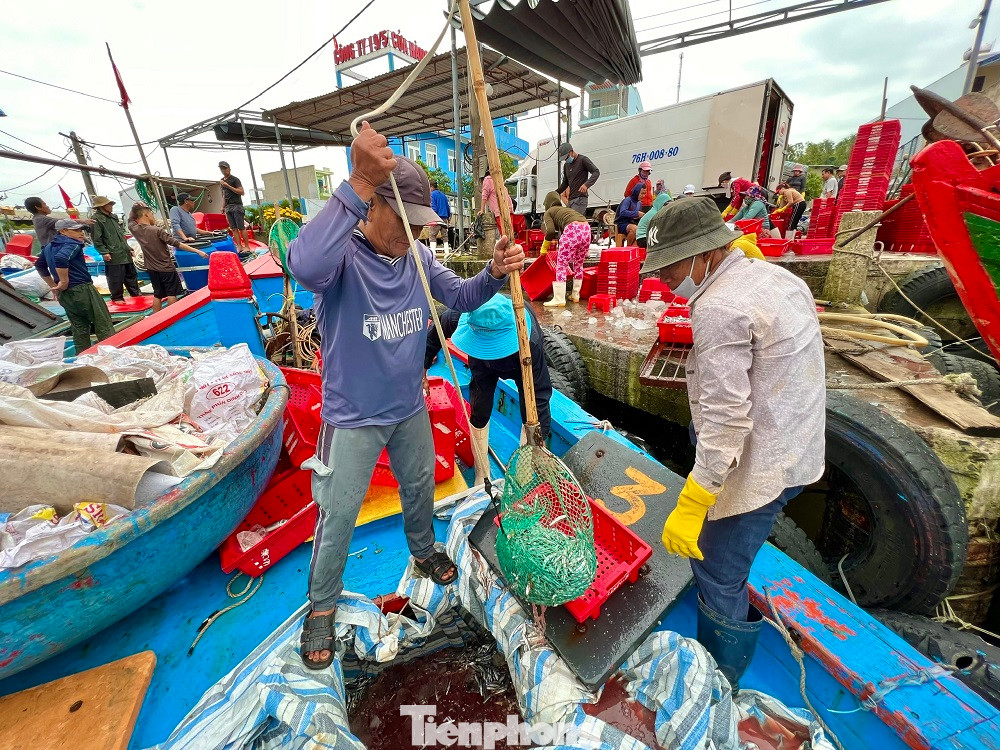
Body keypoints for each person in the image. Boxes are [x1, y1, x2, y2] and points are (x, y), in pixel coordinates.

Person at [285, 122, 525, 670]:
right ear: (371, 208)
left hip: (408, 407)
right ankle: (321, 605)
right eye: (404, 221)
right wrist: (358, 181)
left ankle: (422, 551)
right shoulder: (341, 259)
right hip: (352, 417)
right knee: (338, 513)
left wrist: (492, 273)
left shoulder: (417, 257)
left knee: (420, 488)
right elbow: (303, 264)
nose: (414, 235)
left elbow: (460, 294)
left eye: (421, 225)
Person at [639, 197, 825, 690]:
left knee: (717, 568)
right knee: (727, 551)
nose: (663, 281)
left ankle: (717, 681)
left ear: (705, 254)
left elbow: (725, 419)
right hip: (800, 445)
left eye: (671, 267)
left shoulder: (719, 306)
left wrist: (696, 498)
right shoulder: (779, 278)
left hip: (762, 459)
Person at [424, 296, 551, 483]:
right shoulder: (461, 316)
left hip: (520, 361)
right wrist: (423, 368)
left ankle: (523, 478)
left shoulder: (530, 342)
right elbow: (434, 336)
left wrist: (536, 443)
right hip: (481, 360)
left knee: (531, 413)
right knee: (480, 408)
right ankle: (482, 473)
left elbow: (539, 396)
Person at [34, 219, 115, 353]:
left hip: (65, 294)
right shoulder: (72, 243)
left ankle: (82, 356)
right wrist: (63, 281)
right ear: (63, 231)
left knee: (79, 328)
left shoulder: (49, 247)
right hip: (82, 289)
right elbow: (62, 258)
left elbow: (39, 265)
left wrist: (55, 286)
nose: (81, 234)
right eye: (76, 230)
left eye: (81, 230)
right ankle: (112, 354)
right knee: (103, 323)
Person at [128, 204, 208, 312]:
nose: (153, 216)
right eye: (152, 214)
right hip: (166, 268)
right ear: (146, 215)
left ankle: (156, 319)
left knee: (158, 295)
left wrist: (134, 207)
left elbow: (130, 219)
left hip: (151, 269)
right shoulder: (157, 230)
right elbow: (177, 244)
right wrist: (197, 251)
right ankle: (172, 317)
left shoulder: (135, 229)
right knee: (171, 294)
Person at [538, 191, 589, 307]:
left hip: (573, 230)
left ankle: (559, 298)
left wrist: (544, 248)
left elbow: (550, 231)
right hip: (586, 229)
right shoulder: (567, 210)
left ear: (548, 203)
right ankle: (575, 295)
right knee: (578, 264)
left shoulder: (549, 212)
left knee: (561, 264)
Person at [91, 196, 139, 304]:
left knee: (131, 275)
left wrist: (129, 248)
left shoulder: (114, 217)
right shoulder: (97, 219)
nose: (111, 207)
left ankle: (136, 294)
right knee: (115, 277)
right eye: (109, 205)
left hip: (124, 252)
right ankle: (117, 297)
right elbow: (97, 239)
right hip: (113, 254)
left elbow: (121, 236)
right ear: (102, 206)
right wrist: (104, 252)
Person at [25, 197, 93, 250]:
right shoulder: (41, 219)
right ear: (38, 207)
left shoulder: (38, 219)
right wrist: (82, 221)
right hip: (54, 249)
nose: (47, 206)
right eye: (44, 204)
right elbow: (63, 222)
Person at [556, 141, 600, 216]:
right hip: (571, 199)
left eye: (566, 157)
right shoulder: (566, 165)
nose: (566, 160)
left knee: (574, 220)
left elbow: (596, 172)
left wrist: (586, 185)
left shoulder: (583, 160)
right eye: (564, 159)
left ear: (571, 151)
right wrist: (556, 192)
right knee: (568, 221)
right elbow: (565, 182)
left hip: (580, 199)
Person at [218, 161, 249, 250]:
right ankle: (239, 246)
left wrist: (228, 186)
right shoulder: (222, 181)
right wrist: (222, 207)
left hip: (237, 205)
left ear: (229, 169)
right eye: (222, 168)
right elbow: (224, 194)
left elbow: (241, 192)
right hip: (228, 207)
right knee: (233, 228)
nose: (224, 170)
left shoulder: (235, 179)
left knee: (241, 227)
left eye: (225, 168)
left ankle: (247, 246)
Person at [428, 180, 451, 249]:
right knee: (445, 236)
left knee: (432, 236)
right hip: (444, 218)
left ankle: (433, 254)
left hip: (436, 218)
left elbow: (434, 208)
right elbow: (448, 208)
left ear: (431, 187)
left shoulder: (432, 195)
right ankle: (447, 253)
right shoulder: (443, 195)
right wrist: (448, 218)